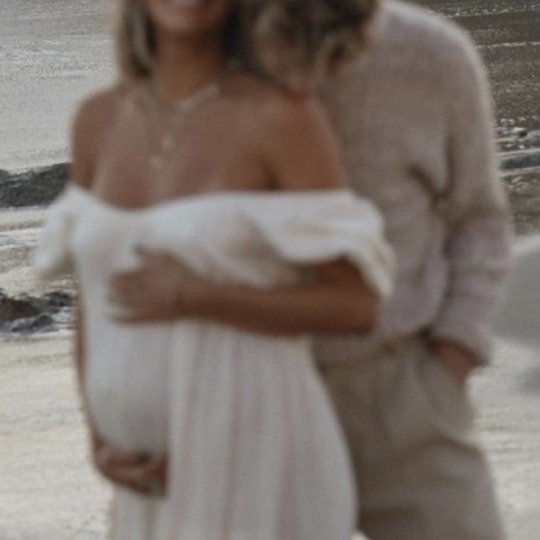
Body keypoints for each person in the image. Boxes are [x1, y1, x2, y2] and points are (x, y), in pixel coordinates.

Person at [104, 1, 513, 540]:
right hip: (241, 389)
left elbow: (479, 221)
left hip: (396, 390)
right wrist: (130, 414)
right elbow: (148, 235)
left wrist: (451, 358)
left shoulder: (433, 54)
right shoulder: (206, 43)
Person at [34, 0, 393, 539]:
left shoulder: (281, 116)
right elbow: (95, 295)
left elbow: (356, 306)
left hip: (260, 455)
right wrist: (98, 440)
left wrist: (193, 297)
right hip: (145, 481)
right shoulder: (97, 120)